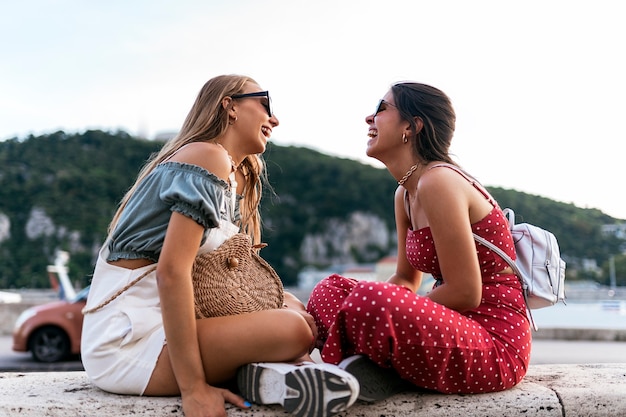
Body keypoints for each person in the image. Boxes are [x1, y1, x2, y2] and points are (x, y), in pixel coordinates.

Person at [81, 74, 359, 417]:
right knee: (294, 329)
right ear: (229, 106)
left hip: (164, 328)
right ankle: (297, 367)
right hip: (130, 342)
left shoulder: (225, 173)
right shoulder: (206, 156)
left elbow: (226, 283)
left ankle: (274, 375)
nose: (274, 119)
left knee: (291, 305)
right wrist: (193, 390)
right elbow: (171, 273)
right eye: (265, 103)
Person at [307, 82, 532, 401]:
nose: (369, 118)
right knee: (329, 291)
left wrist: (383, 309)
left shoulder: (439, 181)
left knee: (369, 299)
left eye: (381, 108)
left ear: (412, 127)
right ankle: (374, 370)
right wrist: (384, 307)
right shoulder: (405, 193)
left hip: (493, 343)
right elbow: (405, 278)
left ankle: (365, 368)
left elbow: (467, 292)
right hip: (448, 329)